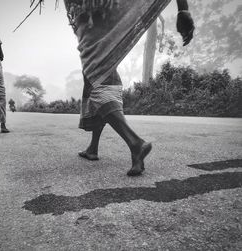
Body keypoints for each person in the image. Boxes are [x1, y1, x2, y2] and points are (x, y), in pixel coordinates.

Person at [63, 0, 194, 176]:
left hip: (92, 16)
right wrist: (183, 9)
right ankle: (92, 148)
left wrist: (183, 10)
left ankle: (136, 144)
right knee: (97, 77)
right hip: (92, 17)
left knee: (97, 82)